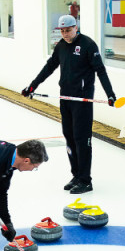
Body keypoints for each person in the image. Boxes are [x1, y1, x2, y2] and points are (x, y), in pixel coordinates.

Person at [21, 15, 115, 195]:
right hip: (65, 99)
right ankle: (76, 176)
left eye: (68, 30)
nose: (64, 34)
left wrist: (110, 94)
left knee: (82, 139)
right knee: (70, 138)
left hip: (82, 101)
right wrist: (32, 86)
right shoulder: (61, 46)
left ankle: (86, 180)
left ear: (75, 28)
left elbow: (100, 71)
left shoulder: (88, 45)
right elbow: (49, 67)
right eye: (62, 31)